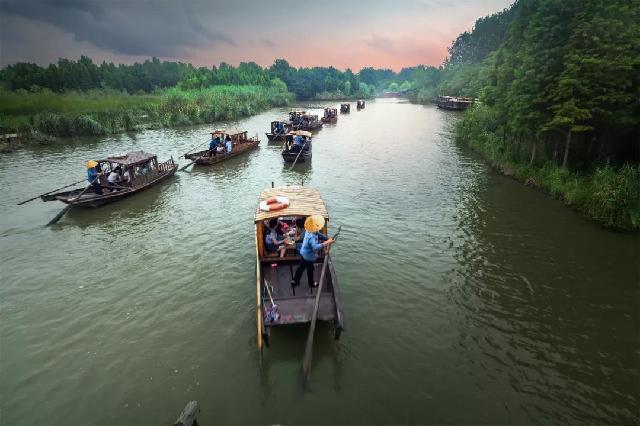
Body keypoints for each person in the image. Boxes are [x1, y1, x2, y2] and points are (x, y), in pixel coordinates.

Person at [292, 215, 334, 289]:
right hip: (308, 256)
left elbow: (319, 234)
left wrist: (327, 239)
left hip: (303, 253)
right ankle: (311, 283)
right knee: (310, 270)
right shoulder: (311, 237)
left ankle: (295, 281)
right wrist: (327, 242)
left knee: (301, 267)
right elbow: (315, 247)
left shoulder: (310, 229)